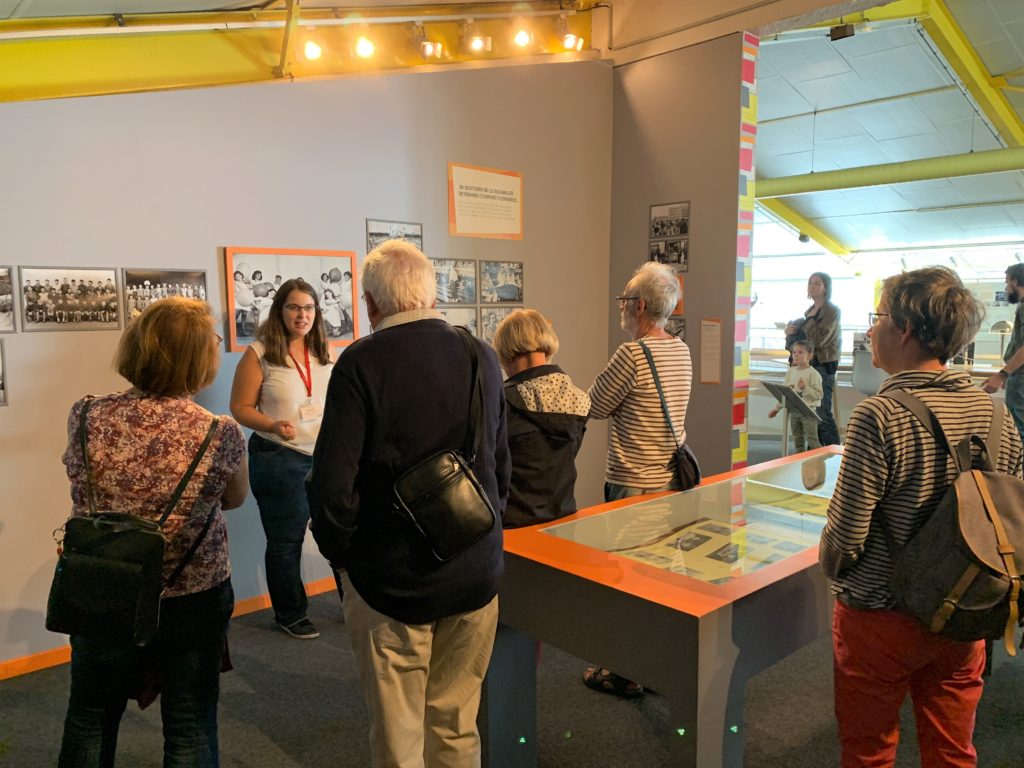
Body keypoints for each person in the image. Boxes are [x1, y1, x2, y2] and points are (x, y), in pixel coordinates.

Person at [307, 239, 509, 768]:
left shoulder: (360, 363)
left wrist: (344, 562)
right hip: (474, 571)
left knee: (400, 737)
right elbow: (500, 463)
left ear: (370, 303)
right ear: (431, 292)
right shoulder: (480, 353)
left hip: (391, 581)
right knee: (458, 727)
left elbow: (331, 485)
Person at [819, 266, 1023, 768]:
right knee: (953, 747)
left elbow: (846, 536)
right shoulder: (996, 414)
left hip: (881, 614)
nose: (871, 329)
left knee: (869, 748)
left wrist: (832, 571)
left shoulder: (878, 414)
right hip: (966, 608)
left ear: (906, 329)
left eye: (879, 317)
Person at [58, 297, 248, 768]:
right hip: (191, 595)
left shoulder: (86, 414)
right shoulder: (218, 431)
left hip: (104, 583)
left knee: (90, 714)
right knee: (189, 722)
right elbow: (234, 498)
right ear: (198, 357)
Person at [583, 261, 692, 698]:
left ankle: (626, 672)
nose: (622, 308)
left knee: (627, 576)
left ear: (640, 306)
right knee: (665, 574)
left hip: (632, 482)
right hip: (671, 479)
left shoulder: (632, 354)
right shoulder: (681, 349)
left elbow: (594, 405)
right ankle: (663, 666)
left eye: (625, 300)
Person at [230, 278, 334, 640]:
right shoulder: (260, 353)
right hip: (279, 457)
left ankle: (353, 601)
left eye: (308, 308)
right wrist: (272, 423)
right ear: (280, 311)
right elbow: (240, 408)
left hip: (322, 456)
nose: (302, 315)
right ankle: (290, 614)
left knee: (337, 534)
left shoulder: (324, 351)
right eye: (294, 307)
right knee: (286, 542)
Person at [492, 308, 589, 527]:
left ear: (508, 351)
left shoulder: (502, 402)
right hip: (564, 520)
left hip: (515, 527)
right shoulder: (578, 401)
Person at [786, 272, 841, 445]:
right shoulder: (808, 312)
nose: (813, 286)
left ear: (826, 288)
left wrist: (807, 321)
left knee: (822, 413)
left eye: (818, 283)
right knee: (809, 413)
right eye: (810, 283)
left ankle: (835, 457)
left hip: (823, 365)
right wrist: (790, 333)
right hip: (806, 366)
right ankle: (815, 457)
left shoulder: (832, 311)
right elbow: (800, 344)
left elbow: (819, 339)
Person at [982, 263, 1024, 442]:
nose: (1006, 288)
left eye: (1007, 283)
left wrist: (1002, 375)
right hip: (1018, 377)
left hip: (1021, 379)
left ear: (1015, 281)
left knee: (1018, 431)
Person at [768, 339, 823, 453]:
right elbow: (784, 393)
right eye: (794, 352)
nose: (796, 355)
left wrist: (805, 388)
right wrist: (776, 408)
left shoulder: (813, 374)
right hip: (794, 411)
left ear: (810, 355)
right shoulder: (791, 372)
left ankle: (820, 465)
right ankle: (800, 466)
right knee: (798, 440)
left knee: (812, 441)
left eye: (800, 352)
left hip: (808, 412)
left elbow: (818, 395)